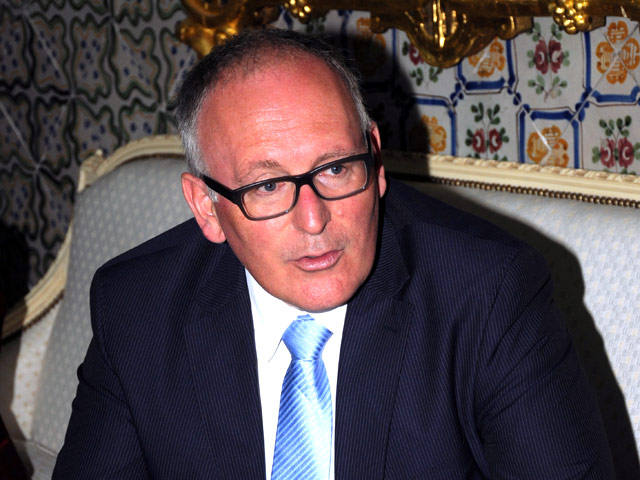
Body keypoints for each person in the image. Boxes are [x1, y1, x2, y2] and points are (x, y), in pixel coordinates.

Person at [54, 28, 614, 479]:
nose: (314, 219)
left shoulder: (487, 294)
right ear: (206, 207)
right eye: (267, 186)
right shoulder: (138, 308)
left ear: (375, 158)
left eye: (336, 168)